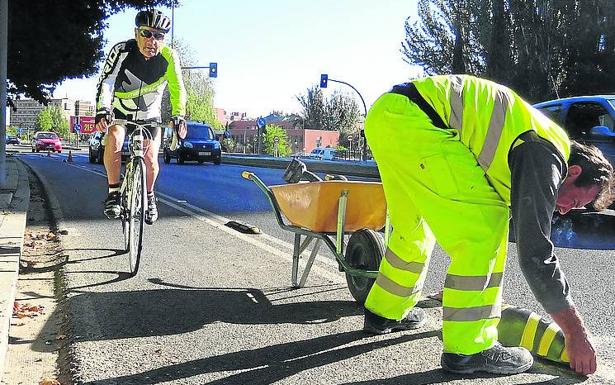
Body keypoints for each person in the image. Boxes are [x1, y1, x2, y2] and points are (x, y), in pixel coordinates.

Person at [361, 75, 614, 376]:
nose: (565, 209)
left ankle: (384, 312)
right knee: (484, 230)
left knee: (412, 227)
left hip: (387, 116)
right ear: (572, 172)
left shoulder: (533, 141)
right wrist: (576, 333)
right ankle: (470, 348)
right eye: (574, 201)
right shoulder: (546, 155)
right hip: (420, 122)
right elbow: (535, 255)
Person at [95, 8, 186, 224]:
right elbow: (106, 81)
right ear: (136, 33)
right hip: (120, 110)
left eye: (159, 36)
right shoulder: (122, 50)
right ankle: (114, 193)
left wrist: (179, 116)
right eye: (147, 33)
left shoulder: (169, 57)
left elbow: (178, 89)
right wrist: (102, 109)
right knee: (115, 138)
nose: (152, 41)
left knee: (151, 159)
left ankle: (150, 197)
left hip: (149, 114)